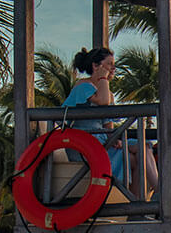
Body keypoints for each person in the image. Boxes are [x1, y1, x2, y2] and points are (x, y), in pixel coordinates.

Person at [64, 47, 158, 196]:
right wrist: (102, 78)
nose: (114, 68)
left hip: (102, 143)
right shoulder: (83, 86)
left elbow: (108, 126)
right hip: (84, 146)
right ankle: (157, 192)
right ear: (96, 66)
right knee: (135, 159)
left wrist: (115, 140)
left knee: (143, 148)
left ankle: (142, 203)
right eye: (109, 64)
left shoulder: (107, 93)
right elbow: (102, 101)